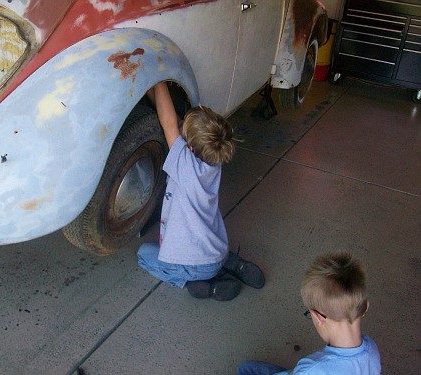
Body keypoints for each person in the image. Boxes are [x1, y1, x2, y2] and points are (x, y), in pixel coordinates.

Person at [137, 81, 265, 301]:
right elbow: (175, 124)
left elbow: (168, 123)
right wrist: (154, 90)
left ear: (189, 147)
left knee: (144, 255)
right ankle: (233, 264)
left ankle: (203, 287)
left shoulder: (184, 166)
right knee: (206, 255)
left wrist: (158, 78)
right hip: (216, 253)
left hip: (194, 267)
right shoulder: (214, 160)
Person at [237, 252, 381, 374]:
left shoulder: (311, 369)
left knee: (246, 369)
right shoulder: (371, 348)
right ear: (365, 307)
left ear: (318, 318)